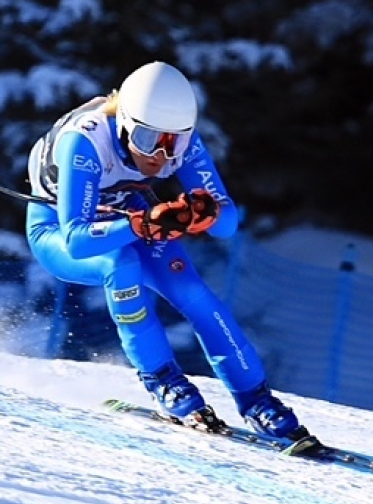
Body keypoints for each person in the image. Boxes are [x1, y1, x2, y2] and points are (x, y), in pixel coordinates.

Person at [25, 61, 309, 441]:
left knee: (191, 291)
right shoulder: (85, 142)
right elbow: (77, 239)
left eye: (173, 143)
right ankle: (163, 381)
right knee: (121, 263)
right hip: (58, 230)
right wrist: (140, 225)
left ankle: (257, 400)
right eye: (147, 140)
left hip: (131, 214)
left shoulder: (185, 144)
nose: (160, 155)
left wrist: (204, 213)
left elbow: (227, 225)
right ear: (125, 125)